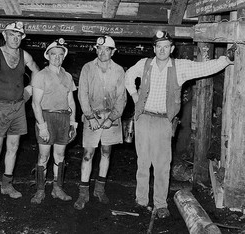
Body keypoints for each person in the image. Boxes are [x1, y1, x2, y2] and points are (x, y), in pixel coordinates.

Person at [125, 30, 235, 218]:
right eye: (159, 46)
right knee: (143, 162)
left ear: (172, 49)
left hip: (164, 121)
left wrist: (226, 60)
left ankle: (160, 204)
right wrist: (135, 96)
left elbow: (204, 68)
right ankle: (141, 200)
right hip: (143, 119)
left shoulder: (180, 67)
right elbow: (128, 76)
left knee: (162, 164)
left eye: (166, 46)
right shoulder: (144, 64)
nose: (162, 50)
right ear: (154, 48)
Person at [0, 21, 39, 211]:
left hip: (18, 107)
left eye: (18, 35)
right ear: (4, 35)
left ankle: (6, 185)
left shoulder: (25, 56)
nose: (15, 38)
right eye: (12, 34)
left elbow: (38, 72)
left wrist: (28, 92)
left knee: (13, 147)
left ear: (22, 37)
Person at [74, 35, 127, 210]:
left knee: (106, 152)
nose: (102, 52)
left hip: (111, 118)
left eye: (106, 50)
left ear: (113, 52)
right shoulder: (88, 68)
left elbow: (121, 98)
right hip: (93, 117)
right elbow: (82, 94)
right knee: (88, 154)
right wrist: (89, 116)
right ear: (96, 49)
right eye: (99, 49)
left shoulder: (119, 70)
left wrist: (112, 118)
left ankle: (100, 189)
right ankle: (83, 194)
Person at [31, 38, 77, 204]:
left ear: (63, 56)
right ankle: (40, 190)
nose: (57, 57)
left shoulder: (68, 76)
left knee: (60, 155)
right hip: (47, 117)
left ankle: (57, 188)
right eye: (53, 54)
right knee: (44, 156)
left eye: (60, 54)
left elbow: (71, 101)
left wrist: (73, 123)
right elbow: (35, 103)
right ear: (47, 56)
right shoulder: (41, 75)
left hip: (63, 118)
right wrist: (42, 126)